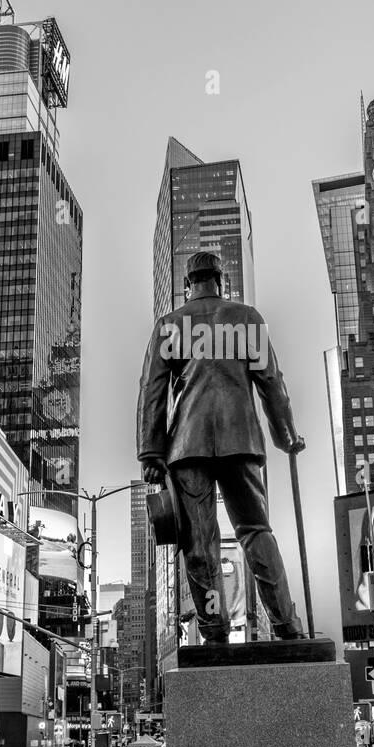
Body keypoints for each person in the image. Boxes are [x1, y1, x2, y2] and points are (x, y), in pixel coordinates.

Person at [136, 251, 307, 641]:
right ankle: (286, 625)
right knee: (255, 530)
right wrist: (287, 437)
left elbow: (153, 392)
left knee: (199, 543)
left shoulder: (170, 325)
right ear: (221, 280)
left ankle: (213, 631)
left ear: (187, 286)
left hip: (187, 446)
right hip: (240, 439)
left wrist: (150, 452)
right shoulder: (248, 318)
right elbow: (272, 384)